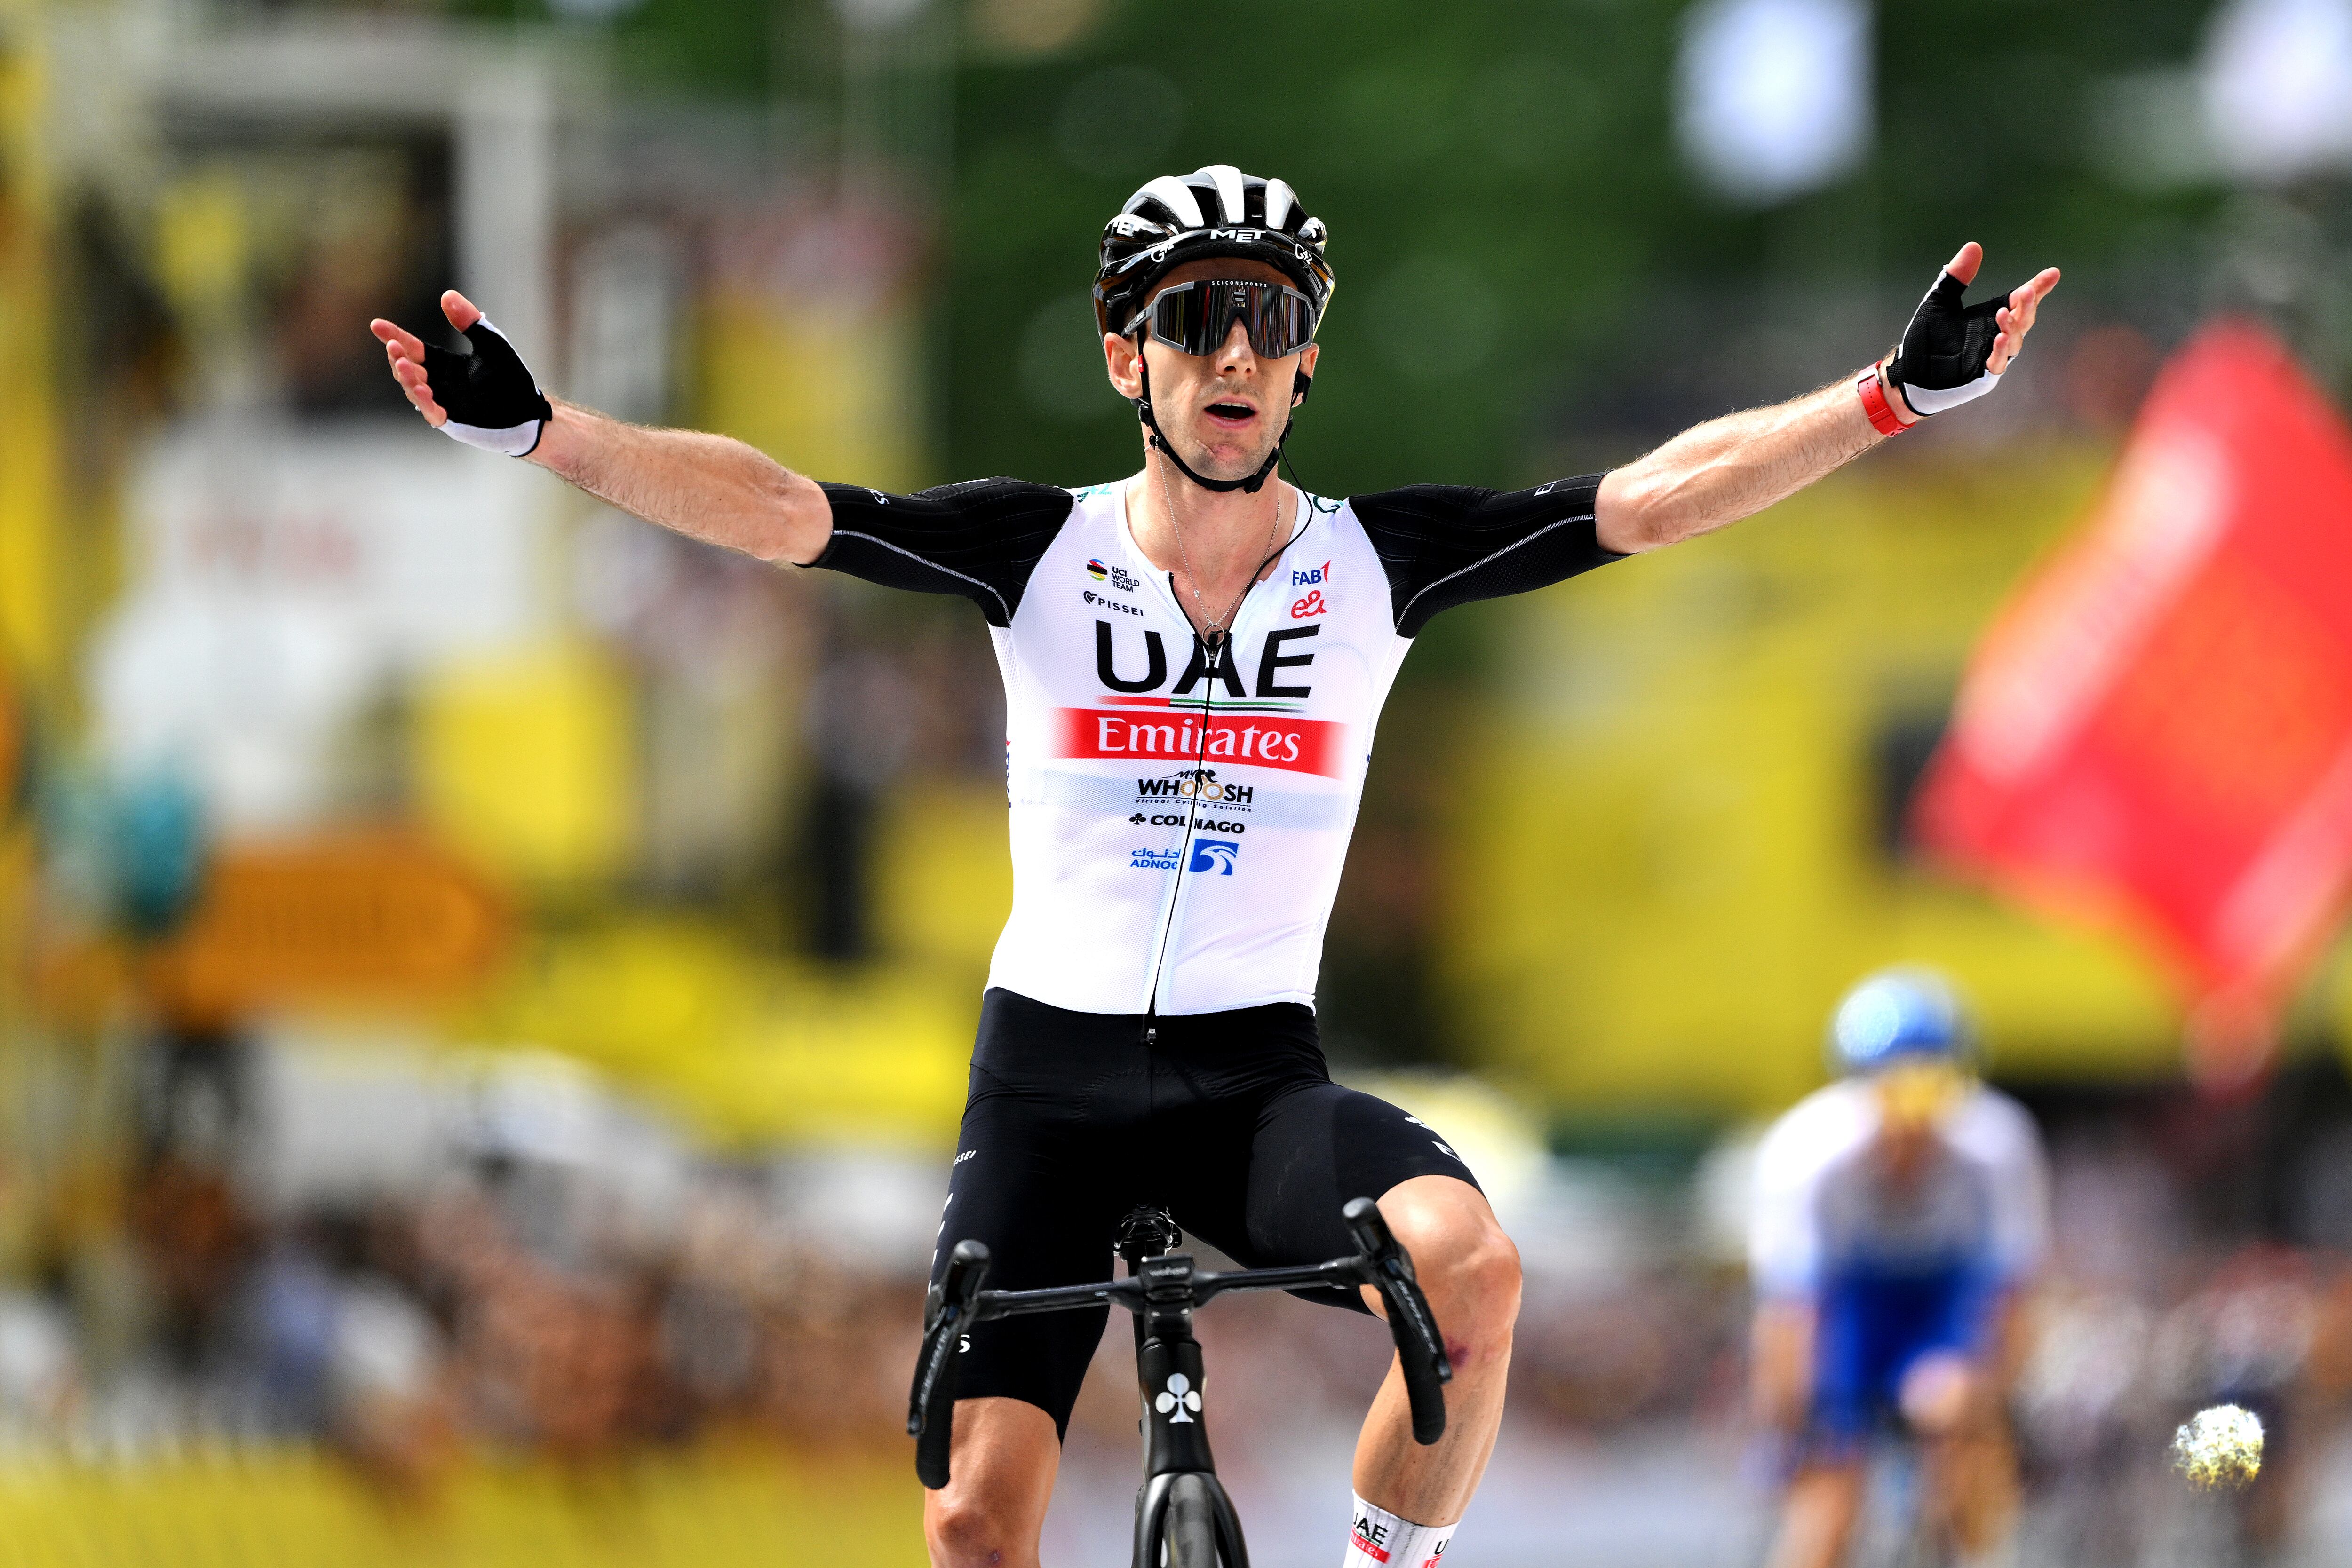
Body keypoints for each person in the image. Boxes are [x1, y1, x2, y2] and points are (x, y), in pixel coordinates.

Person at [372, 166, 2059, 1568]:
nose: (1233, 354)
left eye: (1268, 322)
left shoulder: (1375, 562)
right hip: (1046, 1082)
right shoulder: (1037, 549)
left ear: (1304, 366)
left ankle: (1383, 1558)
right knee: (972, 1523)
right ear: (1129, 358)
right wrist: (545, 434)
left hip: (1254, 1084)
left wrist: (1887, 398)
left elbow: (1655, 498)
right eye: (1194, 320)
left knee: (1473, 1269)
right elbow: (777, 508)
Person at [1747, 968, 2052, 1568]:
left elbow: (2010, 1296)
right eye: (1893, 1096)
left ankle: (1968, 1547)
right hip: (1849, 1304)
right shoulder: (1806, 1154)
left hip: (1942, 1296)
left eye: (1931, 1093)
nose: (1912, 1122)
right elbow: (1789, 1313)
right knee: (1830, 1493)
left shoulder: (1996, 1145)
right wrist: (1789, 1424)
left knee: (1957, 1413)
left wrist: (1999, 1406)